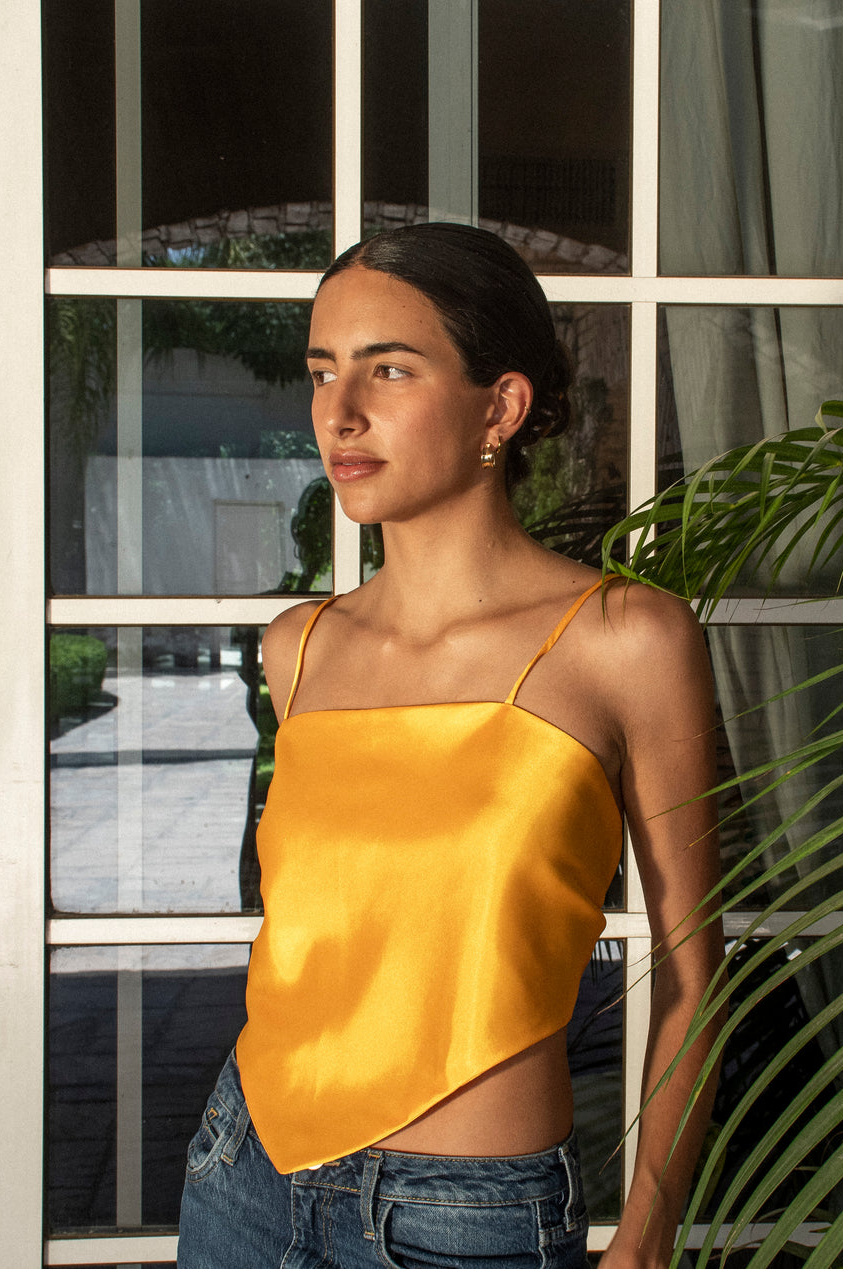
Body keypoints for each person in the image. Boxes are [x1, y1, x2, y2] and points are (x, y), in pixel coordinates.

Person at [178, 223, 722, 1269]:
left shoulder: (623, 642)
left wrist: (647, 1233)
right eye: (322, 372)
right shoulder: (300, 649)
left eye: (388, 368)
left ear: (500, 407)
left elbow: (695, 971)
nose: (340, 413)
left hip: (464, 1217)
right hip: (241, 1176)